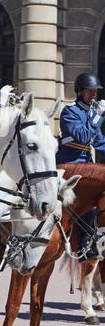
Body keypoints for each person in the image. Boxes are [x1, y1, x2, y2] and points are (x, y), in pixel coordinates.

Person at [56, 72, 105, 261]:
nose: (94, 95)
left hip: (85, 166)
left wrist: (95, 118)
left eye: (96, 92)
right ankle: (83, 243)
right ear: (80, 92)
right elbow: (83, 137)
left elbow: (99, 142)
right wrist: (98, 117)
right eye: (90, 92)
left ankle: (92, 241)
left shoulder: (91, 114)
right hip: (69, 166)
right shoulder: (70, 112)